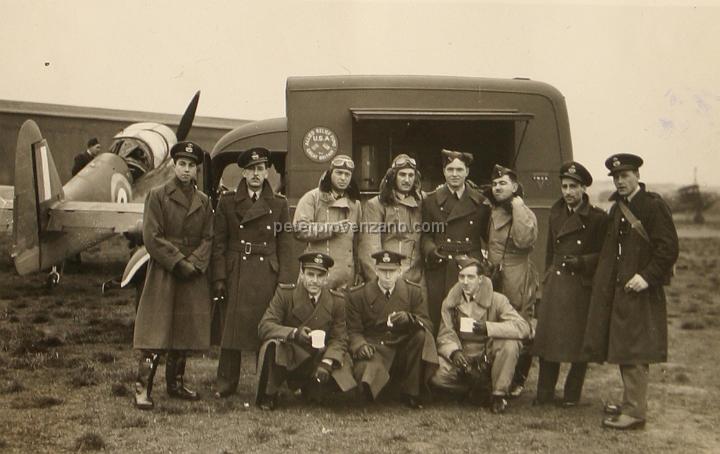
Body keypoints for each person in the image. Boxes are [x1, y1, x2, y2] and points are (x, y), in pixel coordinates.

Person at [583, 153, 678, 430]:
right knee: (625, 348)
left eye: (625, 176)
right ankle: (630, 403)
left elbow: (668, 249)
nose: (620, 181)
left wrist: (646, 277)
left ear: (637, 175)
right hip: (622, 290)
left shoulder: (652, 206)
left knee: (635, 350)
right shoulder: (618, 208)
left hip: (641, 290)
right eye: (616, 177)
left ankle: (635, 412)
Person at [132, 141, 213, 410]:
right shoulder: (157, 195)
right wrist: (178, 262)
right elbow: (151, 236)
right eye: (182, 164)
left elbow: (209, 237)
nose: (186, 170)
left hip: (192, 273)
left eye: (191, 166)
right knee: (156, 329)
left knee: (184, 329)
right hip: (166, 271)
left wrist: (195, 263)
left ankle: (175, 384)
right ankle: (142, 388)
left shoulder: (204, 201)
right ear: (174, 166)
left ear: (197, 170)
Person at [212, 147, 293, 398]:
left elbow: (285, 244)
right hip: (237, 269)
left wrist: (286, 281)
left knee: (266, 327)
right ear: (244, 173)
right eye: (251, 170)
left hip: (266, 271)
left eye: (261, 169)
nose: (256, 174)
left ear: (268, 171)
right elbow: (219, 244)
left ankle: (266, 383)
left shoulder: (279, 204)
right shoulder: (227, 202)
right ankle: (226, 383)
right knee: (231, 330)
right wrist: (219, 277)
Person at [532, 161, 607, 407]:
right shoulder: (556, 213)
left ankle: (572, 395)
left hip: (580, 286)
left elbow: (604, 256)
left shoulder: (597, 218)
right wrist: (546, 279)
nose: (568, 192)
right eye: (564, 186)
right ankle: (544, 393)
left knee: (578, 345)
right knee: (548, 341)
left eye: (573, 186)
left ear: (583, 188)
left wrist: (583, 262)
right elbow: (550, 252)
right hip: (557, 283)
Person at [255, 252, 357, 410]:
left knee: (342, 364)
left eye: (320, 275)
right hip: (292, 355)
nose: (315, 281)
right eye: (310, 274)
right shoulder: (285, 294)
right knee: (272, 346)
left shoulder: (337, 301)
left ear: (326, 277)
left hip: (317, 359)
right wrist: (294, 333)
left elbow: (340, 337)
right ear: (301, 274)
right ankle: (269, 393)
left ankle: (313, 389)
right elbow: (265, 326)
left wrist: (327, 362)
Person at [431, 256, 530, 414]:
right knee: (436, 375)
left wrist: (489, 328)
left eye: (471, 277)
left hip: (487, 355)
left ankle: (498, 394)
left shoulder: (498, 300)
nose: (465, 282)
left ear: (480, 279)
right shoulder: (450, 302)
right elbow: (445, 333)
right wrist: (454, 352)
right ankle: (477, 389)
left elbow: (523, 327)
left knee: (510, 344)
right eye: (461, 276)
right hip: (464, 355)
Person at [346, 250, 438, 409]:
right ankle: (383, 389)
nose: (387, 276)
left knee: (421, 336)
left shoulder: (413, 292)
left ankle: (412, 392)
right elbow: (353, 330)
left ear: (400, 272)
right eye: (383, 271)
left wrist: (411, 319)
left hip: (402, 349)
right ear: (376, 271)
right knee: (366, 387)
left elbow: (428, 324)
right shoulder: (358, 295)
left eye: (392, 271)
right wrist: (360, 346)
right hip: (374, 348)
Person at [421, 149, 491, 334]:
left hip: (469, 264)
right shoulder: (430, 201)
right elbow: (426, 234)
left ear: (467, 172)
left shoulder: (481, 202)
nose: (454, 174)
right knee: (439, 314)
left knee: (469, 313)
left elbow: (489, 237)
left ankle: (469, 356)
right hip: (441, 264)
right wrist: (430, 249)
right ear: (443, 171)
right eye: (450, 169)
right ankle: (440, 357)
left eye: (459, 170)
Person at [485, 164, 539, 397]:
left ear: (515, 187)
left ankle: (518, 378)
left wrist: (517, 206)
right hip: (495, 275)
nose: (498, 187)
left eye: (503, 183)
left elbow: (524, 240)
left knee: (520, 324)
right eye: (495, 184)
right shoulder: (492, 211)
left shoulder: (524, 212)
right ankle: (496, 376)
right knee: (493, 320)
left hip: (518, 275)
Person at [293, 155, 362, 289]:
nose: (343, 178)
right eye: (339, 173)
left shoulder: (355, 205)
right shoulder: (312, 198)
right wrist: (331, 229)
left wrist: (358, 271)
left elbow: (357, 242)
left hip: (345, 279)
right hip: (317, 274)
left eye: (347, 174)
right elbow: (299, 230)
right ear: (330, 173)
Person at [359, 154, 424, 284]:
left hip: (416, 279)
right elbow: (370, 247)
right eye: (402, 175)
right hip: (387, 278)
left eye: (411, 175)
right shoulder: (376, 205)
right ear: (393, 177)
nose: (407, 180)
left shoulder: (422, 202)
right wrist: (379, 281)